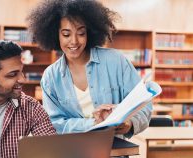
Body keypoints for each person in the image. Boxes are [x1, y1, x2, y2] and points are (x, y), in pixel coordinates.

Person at [27, 0, 151, 136]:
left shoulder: (116, 61)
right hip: (71, 150)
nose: (74, 41)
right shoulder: (50, 77)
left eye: (81, 33)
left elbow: (143, 105)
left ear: (90, 33)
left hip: (115, 150)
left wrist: (129, 124)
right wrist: (93, 123)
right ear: (55, 35)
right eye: (66, 34)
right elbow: (54, 123)